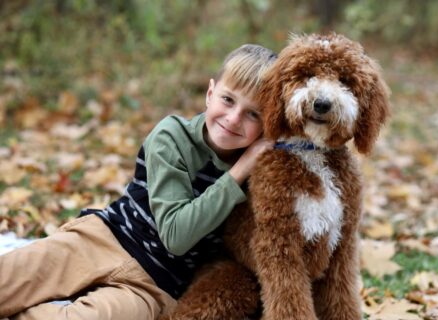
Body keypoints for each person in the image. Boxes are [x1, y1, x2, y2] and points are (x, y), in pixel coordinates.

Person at [0, 44, 277, 320]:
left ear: (267, 124)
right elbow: (176, 234)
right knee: (11, 280)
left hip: (153, 285)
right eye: (228, 100)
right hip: (104, 239)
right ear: (209, 94)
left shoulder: (260, 171)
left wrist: (247, 169)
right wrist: (237, 173)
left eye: (253, 113)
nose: (233, 118)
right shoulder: (173, 136)